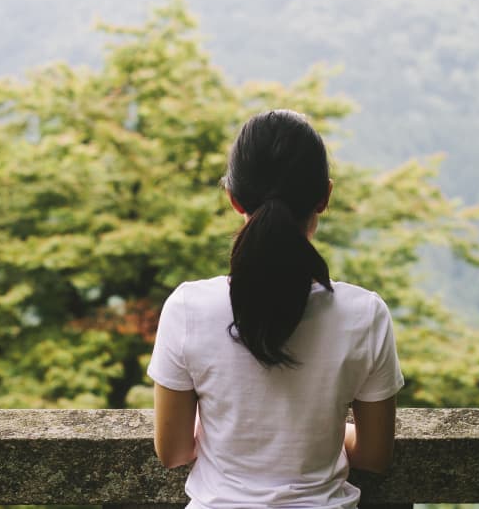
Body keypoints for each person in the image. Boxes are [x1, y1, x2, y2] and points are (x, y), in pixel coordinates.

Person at [149, 109, 402, 509]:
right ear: (325, 196)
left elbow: (174, 451)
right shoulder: (365, 315)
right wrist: (328, 433)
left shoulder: (187, 309)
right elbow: (374, 455)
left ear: (233, 198)